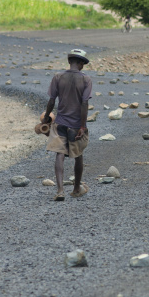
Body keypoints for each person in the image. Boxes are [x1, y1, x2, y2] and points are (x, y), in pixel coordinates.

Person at [42, 48, 92, 201]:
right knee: (79, 156)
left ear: (69, 61)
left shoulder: (58, 77)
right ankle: (76, 188)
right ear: (82, 64)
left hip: (60, 122)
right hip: (76, 124)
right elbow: (84, 103)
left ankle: (60, 191)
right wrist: (82, 126)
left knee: (59, 154)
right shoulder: (86, 80)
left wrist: (45, 120)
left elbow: (51, 101)